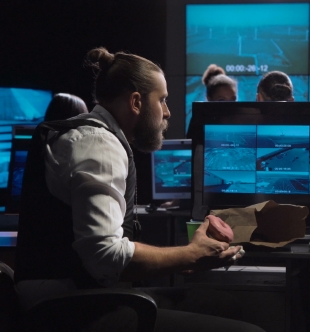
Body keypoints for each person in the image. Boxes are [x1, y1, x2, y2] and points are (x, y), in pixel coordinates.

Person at [14, 47, 263, 331]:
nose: (167, 112)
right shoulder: (98, 144)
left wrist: (187, 258)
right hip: (68, 311)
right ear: (136, 102)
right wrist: (191, 254)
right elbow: (106, 257)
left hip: (74, 298)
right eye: (163, 100)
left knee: (224, 304)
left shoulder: (88, 135)